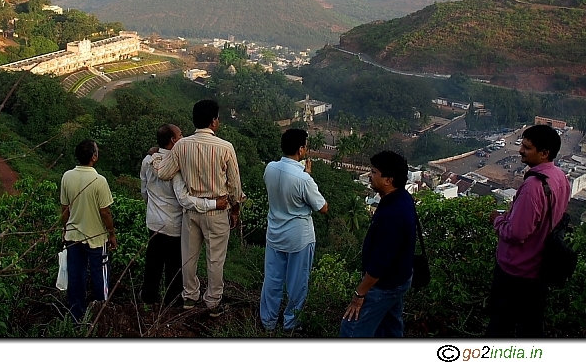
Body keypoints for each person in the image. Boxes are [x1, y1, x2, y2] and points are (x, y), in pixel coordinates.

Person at [155, 99, 244, 317]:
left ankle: (190, 297)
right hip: (217, 211)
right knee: (215, 259)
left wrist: (155, 159)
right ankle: (213, 302)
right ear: (214, 121)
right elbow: (234, 185)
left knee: (189, 257)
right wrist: (235, 209)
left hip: (191, 211)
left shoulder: (181, 146)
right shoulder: (225, 147)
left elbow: (164, 173)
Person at [486, 124, 571, 338]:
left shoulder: (533, 187)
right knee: (531, 326)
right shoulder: (560, 178)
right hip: (540, 267)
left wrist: (497, 221)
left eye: (527, 147)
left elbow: (517, 233)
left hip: (517, 271)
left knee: (500, 326)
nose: (521, 150)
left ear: (544, 153)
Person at [139, 124, 228, 307]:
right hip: (174, 224)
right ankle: (172, 303)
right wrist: (213, 204)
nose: (183, 137)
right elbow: (184, 200)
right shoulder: (176, 168)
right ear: (173, 140)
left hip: (154, 221)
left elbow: (144, 190)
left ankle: (148, 299)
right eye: (180, 135)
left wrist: (153, 208)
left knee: (153, 263)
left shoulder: (148, 160)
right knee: (174, 266)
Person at [340, 150, 417, 338]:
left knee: (352, 329)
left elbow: (379, 264)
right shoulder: (400, 198)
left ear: (388, 179)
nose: (370, 176)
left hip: (385, 284)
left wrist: (359, 295)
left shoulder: (393, 214)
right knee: (389, 327)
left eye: (374, 172)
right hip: (399, 277)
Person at [259, 128, 328, 333]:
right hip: (299, 237)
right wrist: (308, 175)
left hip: (275, 233)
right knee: (298, 283)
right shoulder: (303, 178)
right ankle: (291, 323)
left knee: (272, 279)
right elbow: (323, 208)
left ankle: (268, 322)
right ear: (300, 149)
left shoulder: (270, 168)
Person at [60, 139, 116, 322]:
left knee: (76, 277)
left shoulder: (67, 176)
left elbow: (65, 208)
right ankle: (102, 313)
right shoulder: (99, 181)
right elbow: (105, 212)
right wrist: (112, 233)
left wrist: (65, 229)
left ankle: (77, 316)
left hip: (73, 236)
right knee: (100, 275)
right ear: (94, 157)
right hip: (97, 238)